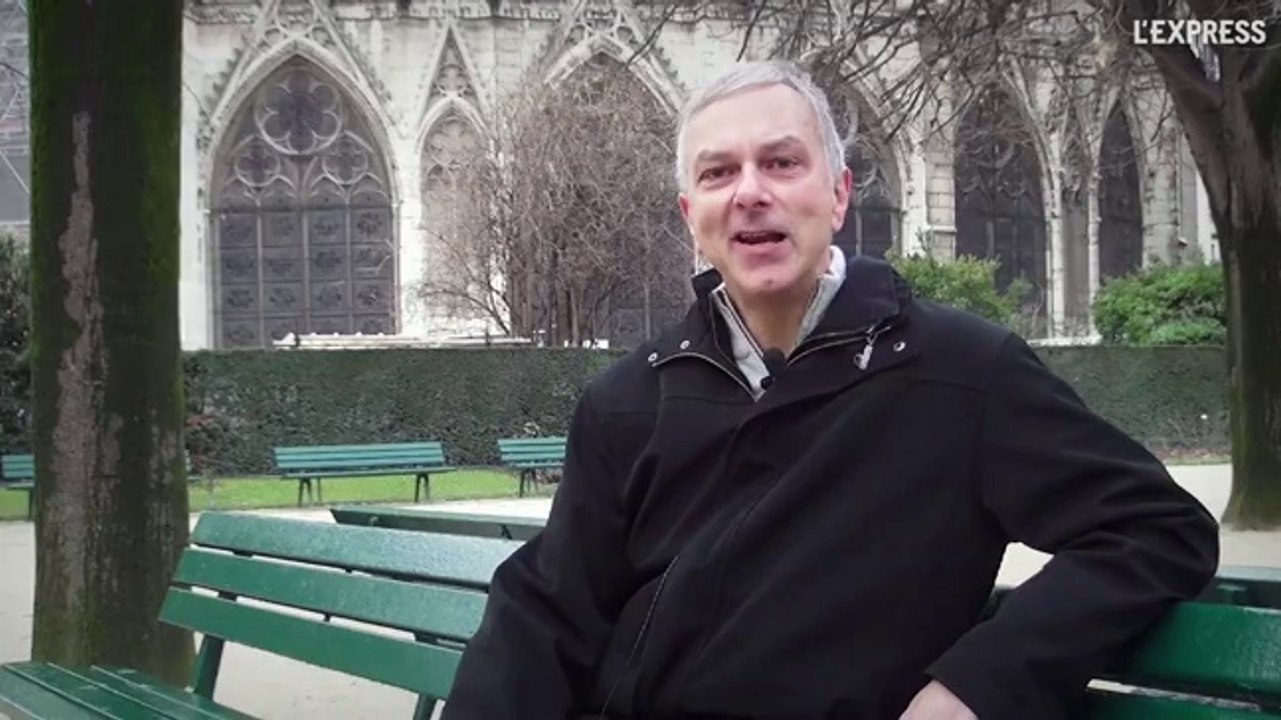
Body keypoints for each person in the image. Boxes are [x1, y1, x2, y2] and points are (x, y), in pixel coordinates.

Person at [441, 60, 1220, 719]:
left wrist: (975, 685)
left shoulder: (960, 375)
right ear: (692, 217)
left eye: (781, 163)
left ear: (840, 195)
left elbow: (1155, 530)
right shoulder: (627, 400)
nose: (749, 191)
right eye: (718, 173)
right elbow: (545, 612)